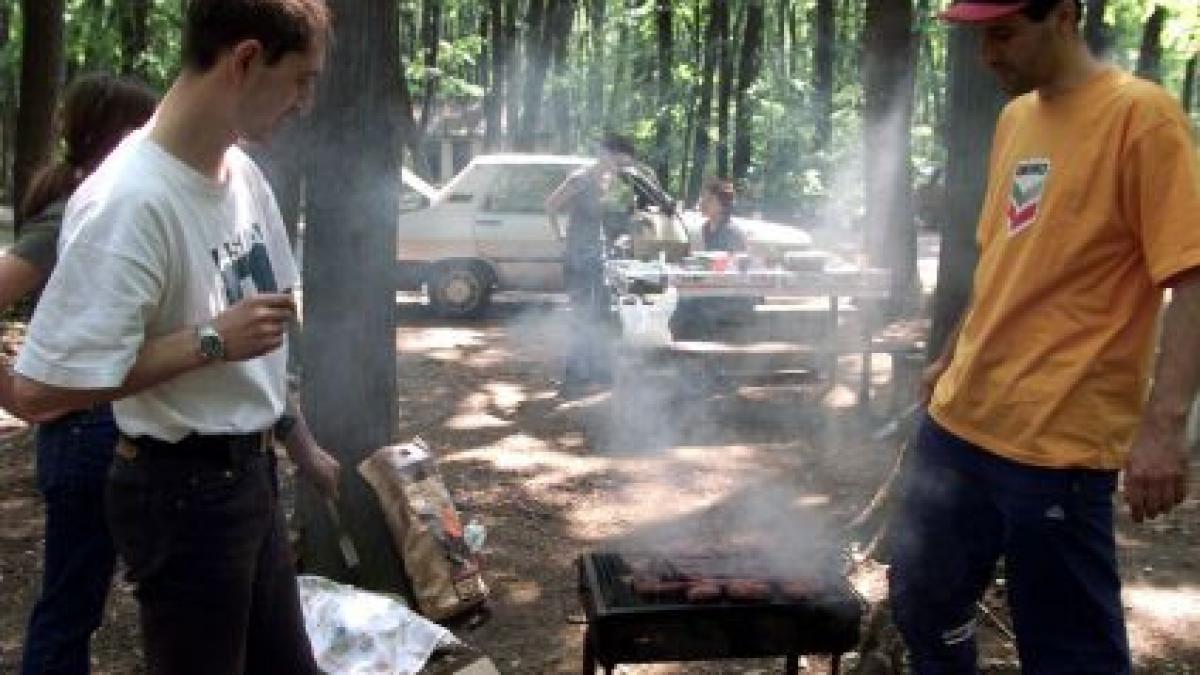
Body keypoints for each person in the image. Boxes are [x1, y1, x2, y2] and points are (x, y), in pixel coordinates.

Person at [7, 1, 339, 673]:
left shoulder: (240, 173)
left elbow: (267, 329)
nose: (306, 101)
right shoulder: (129, 201)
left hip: (248, 476)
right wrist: (209, 341)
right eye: (302, 79)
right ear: (245, 61)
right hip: (181, 497)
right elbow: (41, 390)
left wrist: (295, 438)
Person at [889, 1, 1200, 673]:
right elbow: (1004, 256)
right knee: (922, 599)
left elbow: (1192, 277)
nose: (988, 55)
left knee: (1069, 652)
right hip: (962, 419)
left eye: (1003, 33)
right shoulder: (1015, 117)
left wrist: (1164, 427)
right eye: (980, 37)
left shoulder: (1142, 118)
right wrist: (948, 355)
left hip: (1056, 443)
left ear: (1064, 15)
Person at [0, 73, 156, 675]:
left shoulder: (117, 202)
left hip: (117, 427)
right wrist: (16, 395)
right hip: (87, 433)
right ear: (118, 138)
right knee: (72, 604)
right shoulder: (81, 210)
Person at [545, 133, 636, 397]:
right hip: (577, 258)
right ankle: (573, 379)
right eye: (620, 163)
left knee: (600, 315)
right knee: (582, 317)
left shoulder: (608, 181)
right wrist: (560, 237)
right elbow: (550, 205)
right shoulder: (580, 179)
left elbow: (603, 219)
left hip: (597, 257)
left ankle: (597, 373)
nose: (621, 169)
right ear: (606, 154)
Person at [669, 178, 752, 341]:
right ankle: (684, 352)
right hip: (715, 287)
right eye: (702, 198)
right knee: (682, 302)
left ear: (721, 205)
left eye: (708, 200)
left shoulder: (732, 232)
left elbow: (738, 268)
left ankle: (702, 356)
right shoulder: (706, 228)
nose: (702, 203)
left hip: (733, 294)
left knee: (694, 309)